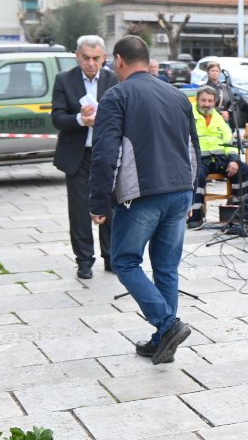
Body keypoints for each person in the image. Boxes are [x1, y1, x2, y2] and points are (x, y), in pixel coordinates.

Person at [88, 35, 203, 365]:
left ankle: (167, 324)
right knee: (167, 268)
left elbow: (105, 153)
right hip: (180, 190)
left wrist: (98, 202)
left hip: (142, 195)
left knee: (124, 261)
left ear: (119, 60)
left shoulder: (117, 95)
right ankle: (161, 341)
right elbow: (193, 148)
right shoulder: (177, 94)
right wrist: (193, 191)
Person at [51, 34, 117, 280]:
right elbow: (57, 118)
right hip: (77, 155)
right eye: (86, 58)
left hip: (106, 154)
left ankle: (111, 257)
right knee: (79, 211)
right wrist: (81, 119)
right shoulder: (64, 80)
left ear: (104, 58)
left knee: (110, 206)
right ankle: (84, 260)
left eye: (96, 58)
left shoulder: (113, 80)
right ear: (77, 56)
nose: (91, 63)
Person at [189, 86, 248, 236]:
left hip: (219, 159)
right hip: (199, 160)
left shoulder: (219, 117)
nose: (207, 104)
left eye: (210, 101)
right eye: (204, 100)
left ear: (215, 102)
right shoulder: (188, 116)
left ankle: (240, 215)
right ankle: (195, 217)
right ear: (197, 100)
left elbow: (229, 142)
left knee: (244, 169)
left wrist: (233, 160)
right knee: (196, 175)